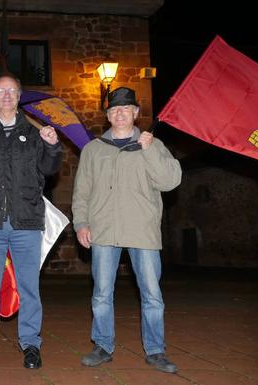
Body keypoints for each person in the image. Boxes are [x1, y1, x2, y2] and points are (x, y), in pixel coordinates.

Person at [72, 87, 182, 373]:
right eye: (114, 110)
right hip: (103, 229)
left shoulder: (152, 145)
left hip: (141, 229)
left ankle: (156, 351)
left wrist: (149, 151)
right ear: (108, 116)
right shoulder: (94, 150)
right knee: (101, 293)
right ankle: (102, 346)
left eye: (126, 109)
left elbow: (169, 181)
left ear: (135, 113)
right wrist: (81, 223)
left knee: (152, 294)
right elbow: (81, 192)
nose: (120, 114)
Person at [0, 75, 63, 369]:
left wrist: (52, 146)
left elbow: (49, 168)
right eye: (0, 91)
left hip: (26, 222)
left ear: (19, 97)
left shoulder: (34, 133)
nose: (6, 95)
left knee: (29, 286)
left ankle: (31, 344)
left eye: (12, 91)